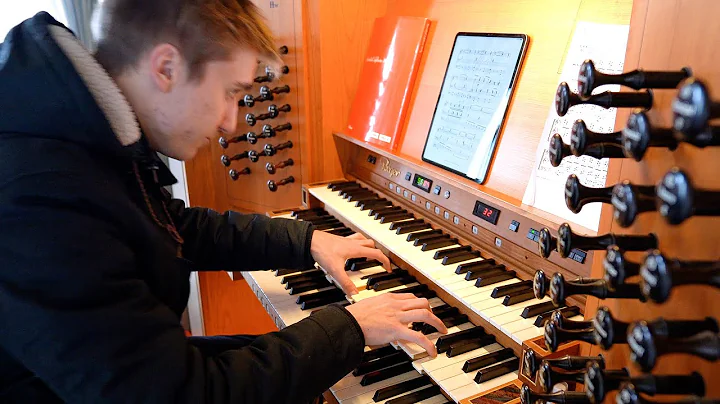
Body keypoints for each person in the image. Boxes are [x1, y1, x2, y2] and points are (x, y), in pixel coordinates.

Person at [0, 1, 447, 403]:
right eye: (231, 92)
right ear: (166, 68)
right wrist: (348, 328)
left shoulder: (79, 136)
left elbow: (165, 226)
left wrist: (305, 240)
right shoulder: (38, 198)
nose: (231, 123)